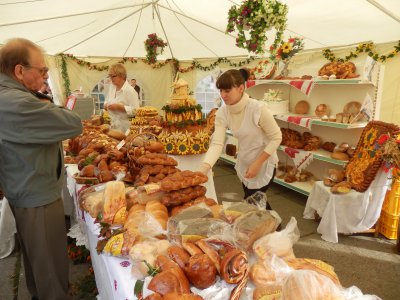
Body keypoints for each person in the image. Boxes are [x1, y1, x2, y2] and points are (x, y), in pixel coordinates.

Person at [0, 38, 83, 300]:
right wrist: (47, 103)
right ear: (19, 71)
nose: (45, 76)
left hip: (27, 187)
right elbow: (72, 123)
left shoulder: (13, 96)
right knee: (50, 265)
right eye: (42, 71)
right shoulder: (17, 102)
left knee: (38, 259)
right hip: (36, 193)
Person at [199, 69, 282, 206]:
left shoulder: (257, 109)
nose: (223, 95)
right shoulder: (223, 112)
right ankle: (274, 225)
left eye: (227, 91)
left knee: (253, 203)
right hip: (244, 162)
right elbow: (217, 144)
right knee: (254, 202)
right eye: (220, 91)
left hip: (263, 162)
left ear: (241, 88)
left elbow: (277, 138)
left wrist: (257, 164)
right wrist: (205, 166)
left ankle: (276, 226)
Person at [104, 64, 139, 132]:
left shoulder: (130, 91)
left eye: (113, 76)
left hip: (125, 129)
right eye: (110, 76)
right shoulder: (112, 87)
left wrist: (120, 108)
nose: (111, 79)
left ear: (122, 76)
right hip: (112, 127)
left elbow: (136, 112)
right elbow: (107, 100)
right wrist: (106, 105)